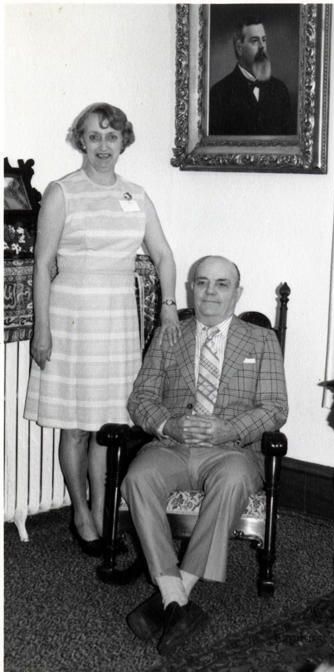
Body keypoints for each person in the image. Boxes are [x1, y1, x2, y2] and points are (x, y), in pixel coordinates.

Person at [24, 102, 180, 557]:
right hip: (72, 315)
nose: (103, 145)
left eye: (111, 136)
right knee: (75, 425)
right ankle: (81, 513)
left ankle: (102, 509)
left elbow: (164, 255)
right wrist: (41, 329)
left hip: (117, 318)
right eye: (94, 136)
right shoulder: (62, 192)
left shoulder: (136, 195)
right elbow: (42, 265)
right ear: (82, 141)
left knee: (106, 424)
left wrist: (169, 306)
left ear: (123, 141)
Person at [122, 255, 288, 653]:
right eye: (202, 282)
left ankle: (175, 591)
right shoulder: (168, 335)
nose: (210, 292)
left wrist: (229, 429)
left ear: (237, 292)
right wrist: (169, 425)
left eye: (221, 284)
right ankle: (175, 599)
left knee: (233, 480)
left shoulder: (261, 340)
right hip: (173, 445)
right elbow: (140, 399)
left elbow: (275, 408)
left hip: (232, 451)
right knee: (137, 478)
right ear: (191, 289)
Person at [209, 16, 295, 136]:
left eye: (264, 40)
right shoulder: (219, 94)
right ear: (239, 48)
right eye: (255, 41)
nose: (262, 46)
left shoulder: (280, 90)